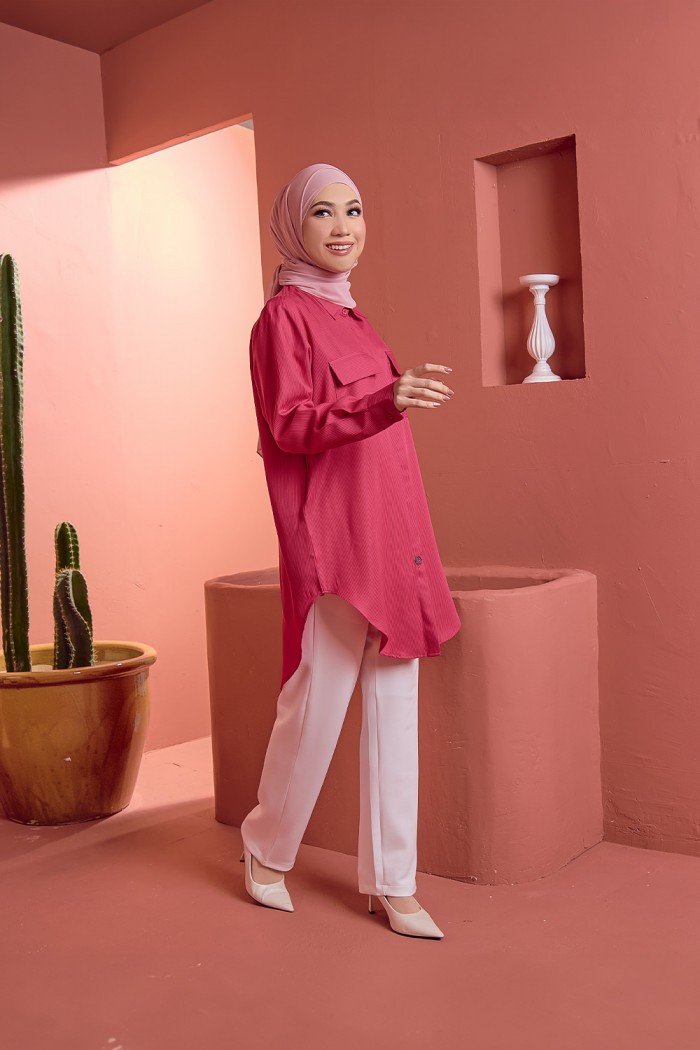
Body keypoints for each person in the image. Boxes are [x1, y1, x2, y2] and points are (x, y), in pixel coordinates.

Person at [239, 162, 461, 939]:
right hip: (332, 536)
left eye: (354, 210)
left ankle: (393, 882)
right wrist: (384, 398)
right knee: (318, 704)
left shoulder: (355, 317)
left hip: (394, 532)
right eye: (324, 212)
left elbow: (381, 440)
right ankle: (267, 848)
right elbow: (290, 425)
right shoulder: (283, 319)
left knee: (395, 707)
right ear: (293, 227)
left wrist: (391, 400)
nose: (343, 226)